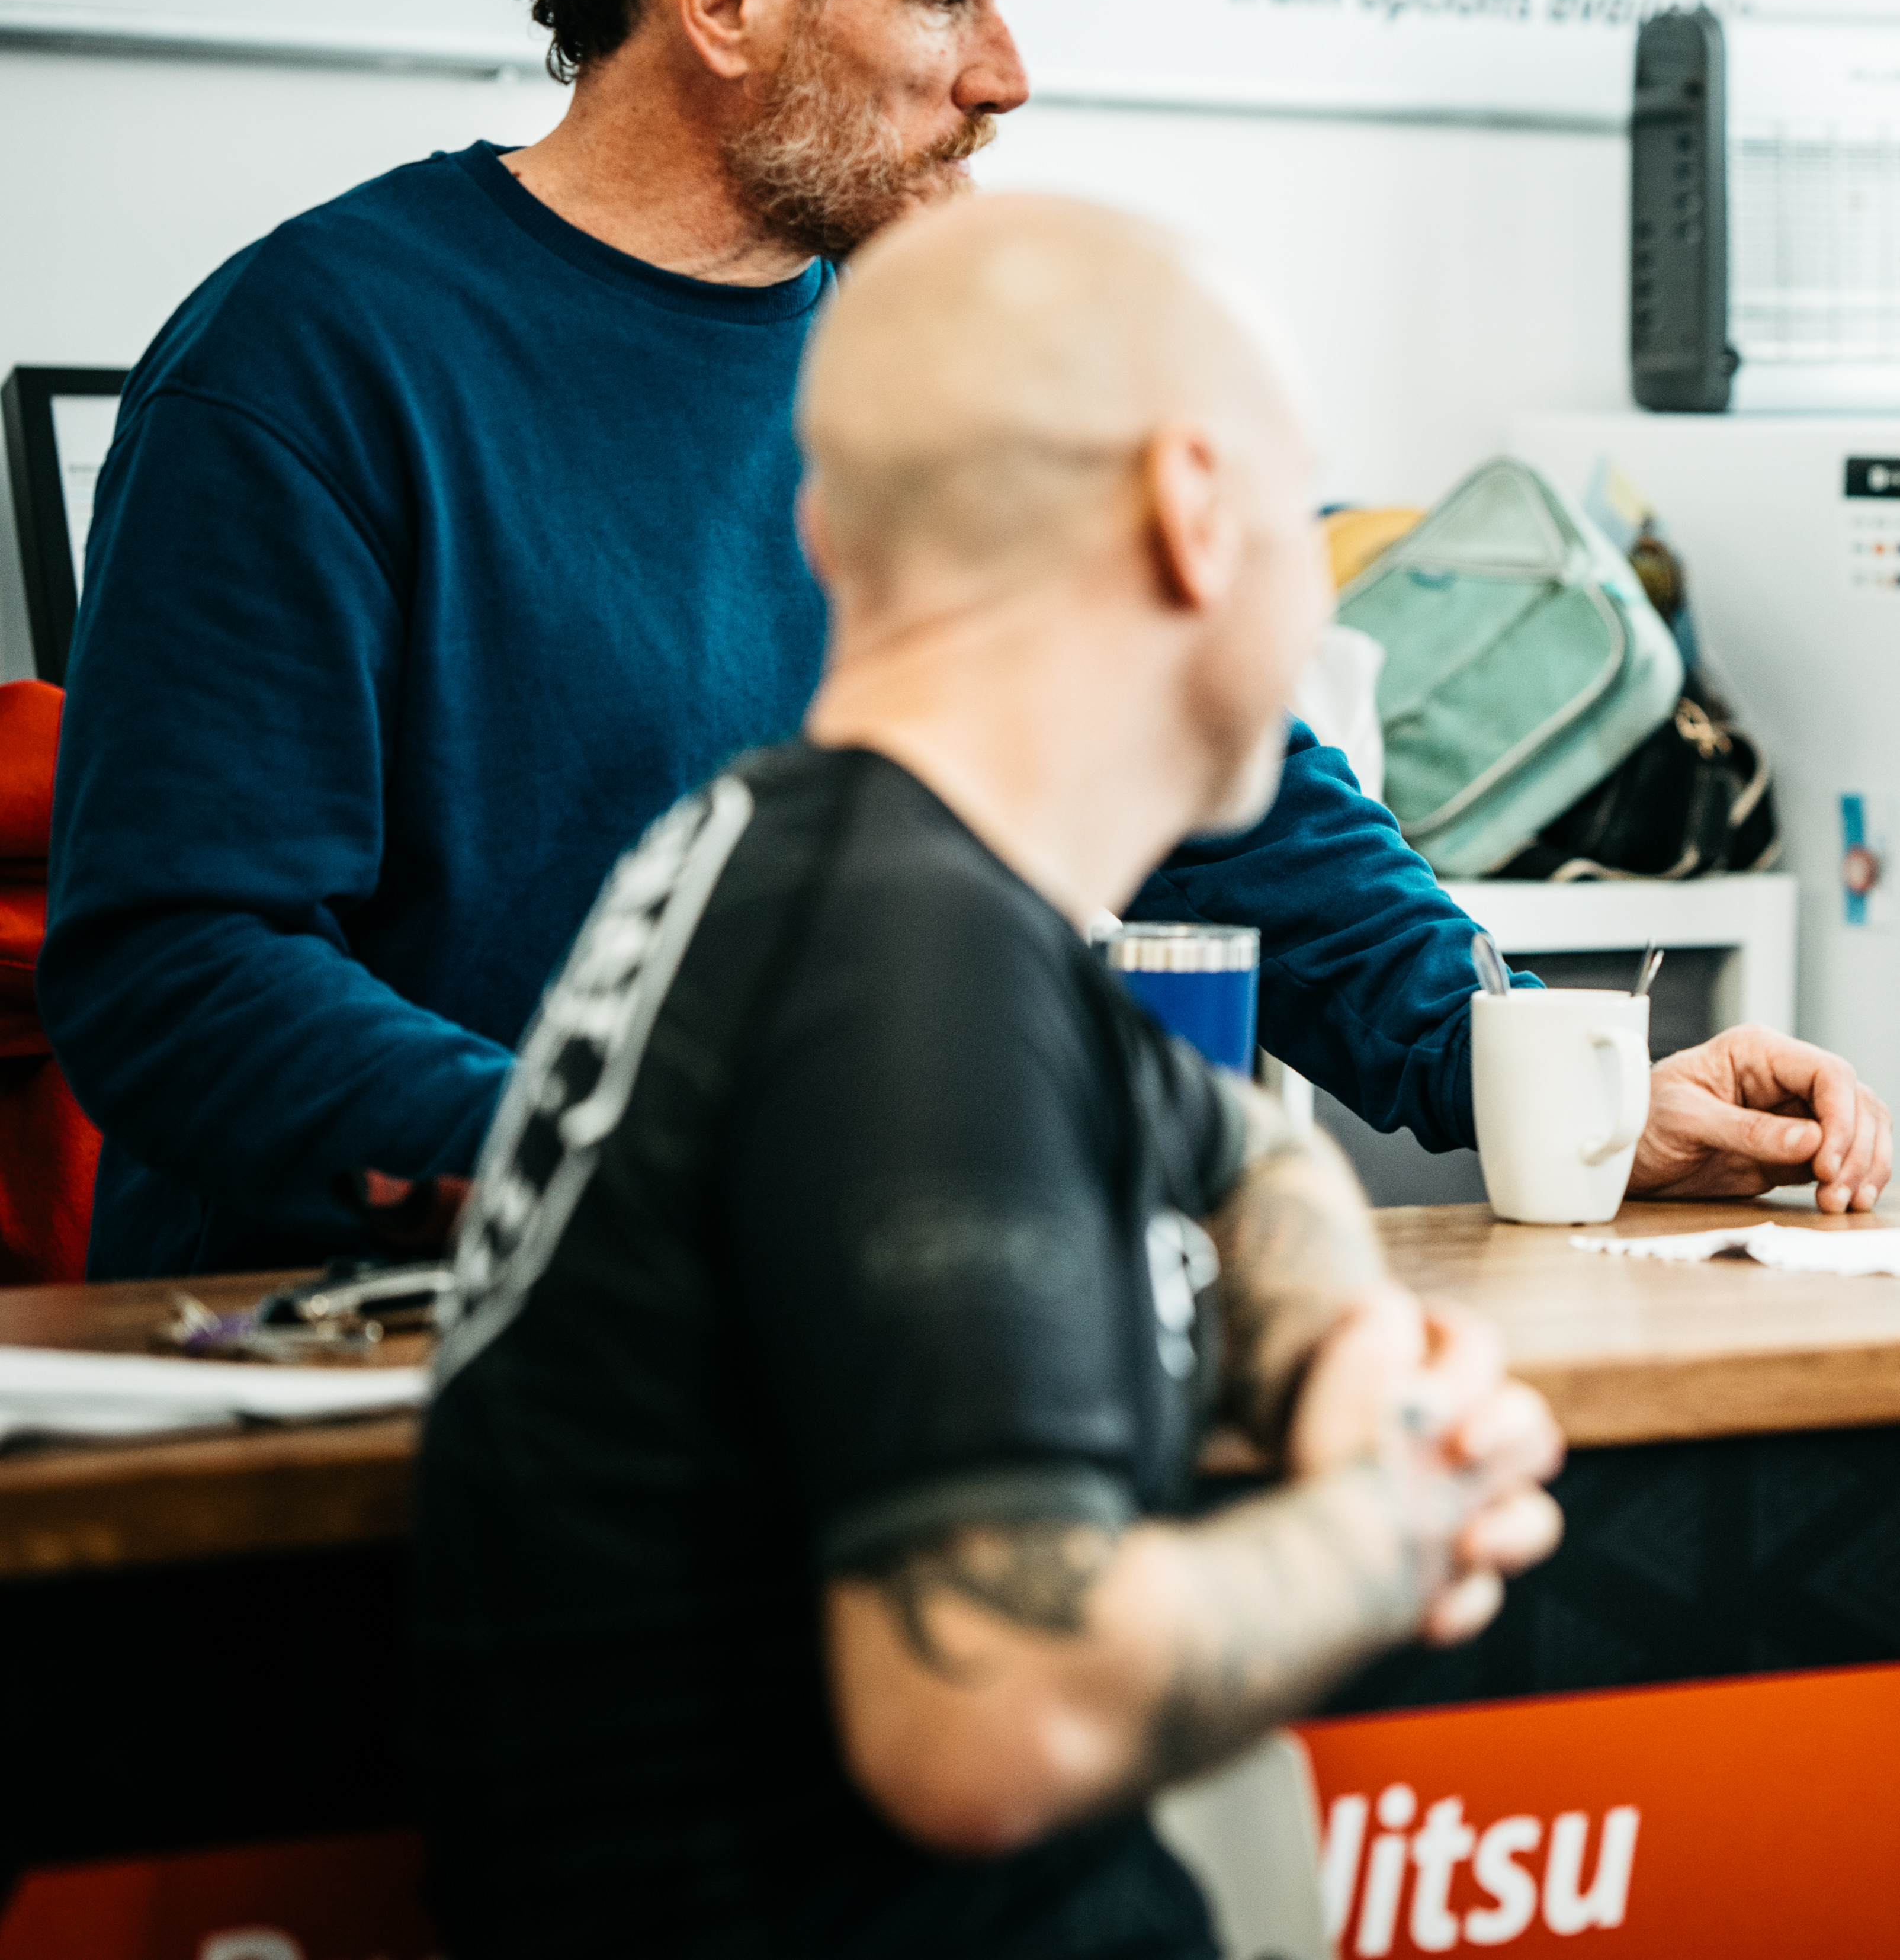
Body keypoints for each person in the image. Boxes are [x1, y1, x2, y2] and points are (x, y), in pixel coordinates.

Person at [43, 0, 1885, 1279]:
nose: (1006, 73)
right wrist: (643, 1162)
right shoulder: (310, 362)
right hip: (366, 1370)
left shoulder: (935, 346)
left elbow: (1225, 797)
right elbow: (181, 971)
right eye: (945, 1)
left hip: (819, 1319)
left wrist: (1556, 1072)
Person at [415, 194, 1564, 1955]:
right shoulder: (896, 953)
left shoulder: (843, 875)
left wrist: (1345, 1357)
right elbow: (997, 1710)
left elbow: (1259, 1163)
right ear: (1194, 513)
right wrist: (1403, 1514)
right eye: (1298, 509)